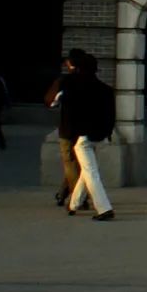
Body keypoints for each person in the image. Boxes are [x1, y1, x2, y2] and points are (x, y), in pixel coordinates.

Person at [64, 53, 115, 221]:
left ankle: (104, 208)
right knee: (88, 170)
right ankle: (74, 204)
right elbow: (111, 116)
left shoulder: (74, 88)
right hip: (100, 136)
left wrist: (72, 135)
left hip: (82, 137)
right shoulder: (106, 90)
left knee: (90, 172)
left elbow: (70, 115)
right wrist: (108, 133)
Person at [45, 48, 85, 206]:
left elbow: (49, 101)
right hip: (86, 128)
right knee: (79, 163)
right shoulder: (90, 80)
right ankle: (63, 193)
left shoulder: (64, 81)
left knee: (69, 162)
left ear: (70, 63)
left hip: (68, 127)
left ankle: (78, 197)